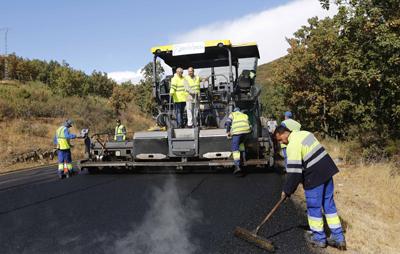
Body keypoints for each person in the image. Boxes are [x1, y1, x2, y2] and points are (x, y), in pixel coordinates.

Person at [274, 126, 346, 250]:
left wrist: (287, 191)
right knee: (329, 204)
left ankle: (319, 239)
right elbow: (309, 154)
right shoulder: (305, 134)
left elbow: (294, 173)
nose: (281, 143)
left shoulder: (292, 146)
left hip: (314, 176)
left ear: (284, 133)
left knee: (314, 207)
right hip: (327, 170)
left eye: (280, 139)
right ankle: (339, 238)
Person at [225, 107, 251, 176]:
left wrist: (228, 131)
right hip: (246, 132)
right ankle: (243, 157)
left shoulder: (232, 114)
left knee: (235, 148)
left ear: (234, 111)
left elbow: (228, 122)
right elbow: (249, 124)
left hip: (237, 132)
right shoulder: (244, 115)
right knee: (241, 144)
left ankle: (237, 166)